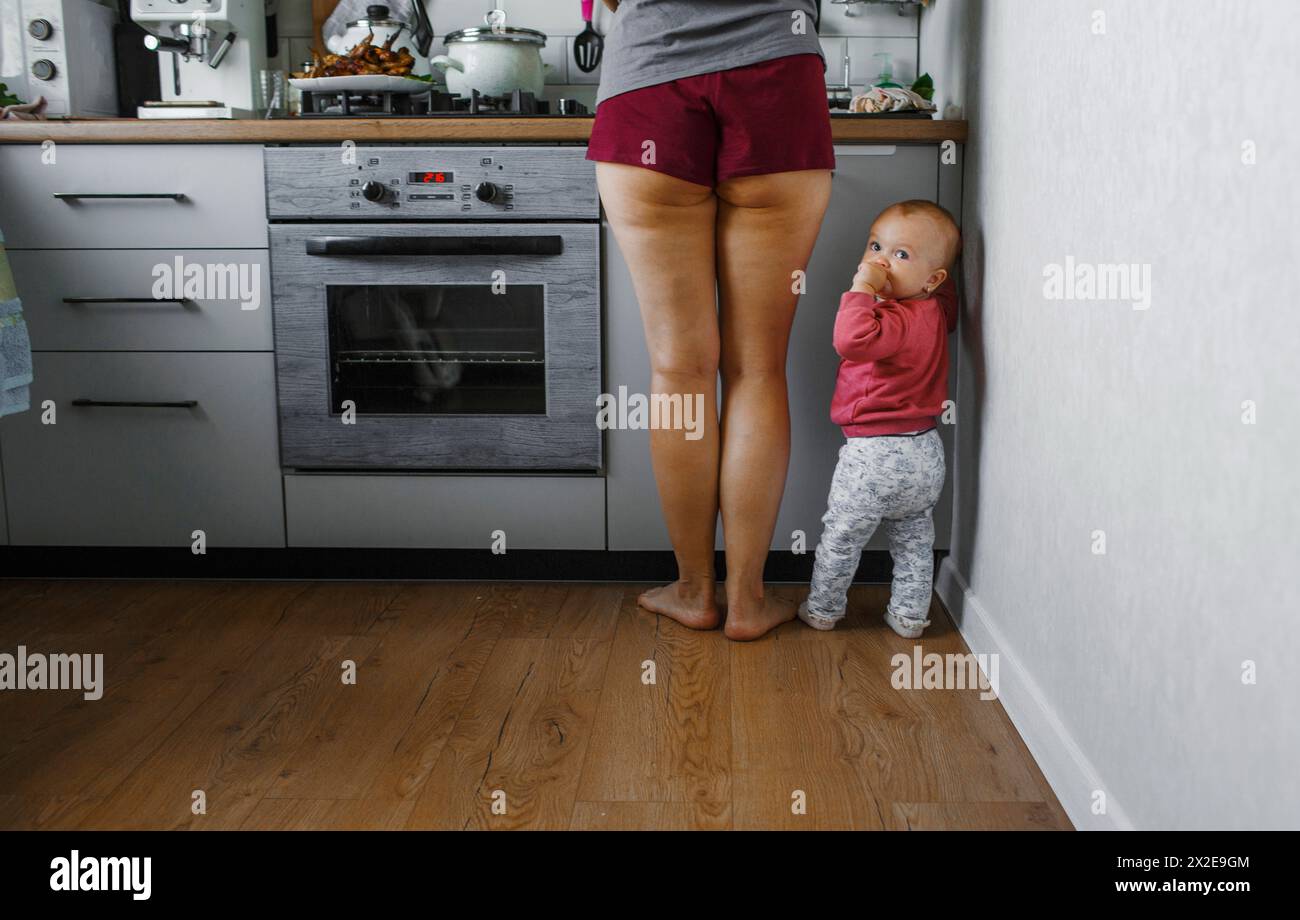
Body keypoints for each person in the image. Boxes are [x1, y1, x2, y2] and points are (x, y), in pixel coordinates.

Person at [587, 0, 834, 640]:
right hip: (779, 72)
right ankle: (747, 600)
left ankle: (695, 590)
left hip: (649, 80)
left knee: (678, 368)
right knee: (756, 367)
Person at [797, 200, 961, 638]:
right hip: (927, 452)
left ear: (932, 278)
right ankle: (909, 616)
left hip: (874, 456)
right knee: (914, 541)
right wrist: (912, 271)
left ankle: (823, 608)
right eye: (875, 246)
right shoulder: (936, 312)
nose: (881, 261)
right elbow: (946, 293)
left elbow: (849, 339)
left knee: (843, 536)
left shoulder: (886, 319)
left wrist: (862, 288)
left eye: (900, 254)